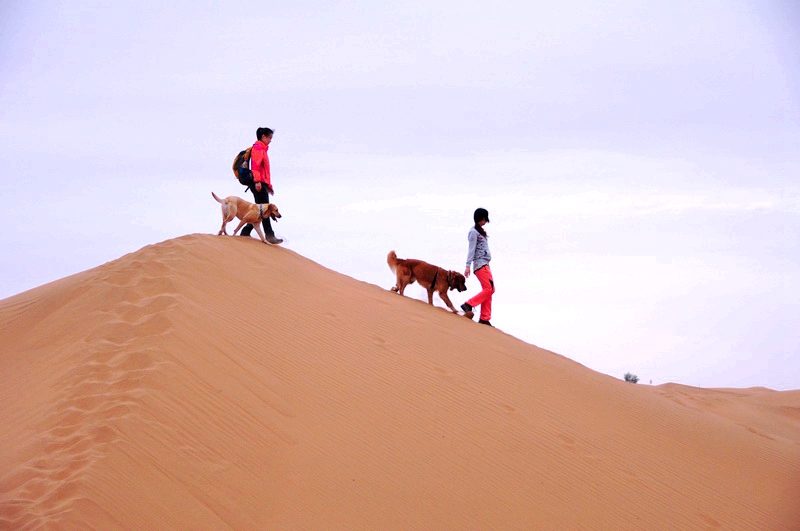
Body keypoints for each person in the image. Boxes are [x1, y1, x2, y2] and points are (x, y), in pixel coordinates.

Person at [241, 127, 283, 244]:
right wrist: (257, 181)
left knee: (259, 211)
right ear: (263, 136)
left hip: (262, 183)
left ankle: (245, 231)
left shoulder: (262, 149)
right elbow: (256, 166)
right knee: (265, 211)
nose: (270, 140)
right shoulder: (258, 148)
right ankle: (270, 235)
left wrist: (269, 186)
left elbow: (265, 170)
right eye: (269, 137)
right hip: (258, 183)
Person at [461, 208, 494, 326]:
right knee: (489, 289)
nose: (485, 221)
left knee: (489, 290)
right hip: (480, 265)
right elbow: (471, 249)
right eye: (484, 219)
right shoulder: (473, 232)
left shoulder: (480, 231)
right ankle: (469, 304)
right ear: (480, 218)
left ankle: (485, 318)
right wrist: (467, 266)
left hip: (485, 264)